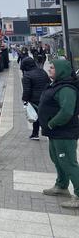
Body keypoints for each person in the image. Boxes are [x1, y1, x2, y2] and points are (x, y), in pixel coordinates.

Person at [39, 59, 79, 208]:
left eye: (53, 67)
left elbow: (67, 111)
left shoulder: (66, 89)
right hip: (55, 133)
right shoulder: (56, 85)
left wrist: (51, 123)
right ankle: (61, 185)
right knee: (57, 159)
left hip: (64, 133)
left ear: (61, 71)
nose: (49, 68)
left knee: (69, 163)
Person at [21, 56, 51, 140]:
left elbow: (27, 90)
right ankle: (36, 133)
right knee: (43, 116)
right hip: (45, 97)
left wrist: (25, 100)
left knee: (36, 117)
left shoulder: (27, 76)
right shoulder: (42, 71)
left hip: (34, 100)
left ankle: (36, 134)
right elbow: (48, 83)